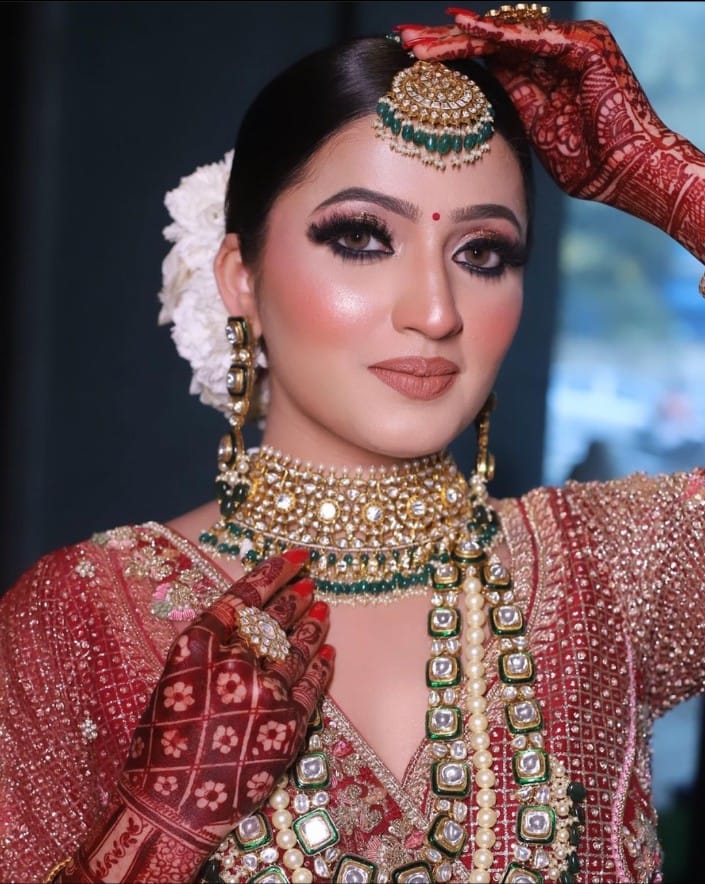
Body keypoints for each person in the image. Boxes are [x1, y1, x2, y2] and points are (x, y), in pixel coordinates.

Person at [1, 4, 704, 883]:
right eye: (362, 239)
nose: (435, 311)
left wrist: (665, 179)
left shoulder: (610, 572)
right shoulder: (83, 619)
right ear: (241, 278)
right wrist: (158, 825)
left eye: (483, 253)